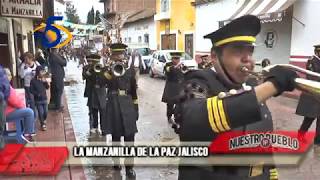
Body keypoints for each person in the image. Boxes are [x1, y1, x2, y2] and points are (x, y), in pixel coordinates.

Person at [176, 15, 298, 180]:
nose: (248, 59)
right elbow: (194, 119)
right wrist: (272, 86)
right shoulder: (196, 82)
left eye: (250, 51)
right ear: (214, 56)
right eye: (238, 51)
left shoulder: (253, 86)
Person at [102, 43, 138, 178]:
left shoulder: (130, 70)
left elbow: (134, 91)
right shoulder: (107, 70)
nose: (118, 58)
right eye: (115, 55)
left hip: (128, 105)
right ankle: (116, 162)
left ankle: (129, 167)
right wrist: (110, 71)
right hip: (114, 105)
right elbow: (100, 82)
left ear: (124, 55)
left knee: (130, 138)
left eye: (120, 55)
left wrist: (136, 108)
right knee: (116, 137)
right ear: (112, 56)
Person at [0, 65, 35, 142]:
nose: (11, 77)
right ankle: (28, 135)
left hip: (4, 112)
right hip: (5, 113)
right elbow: (15, 101)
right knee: (29, 112)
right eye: (9, 75)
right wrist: (23, 106)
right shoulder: (6, 86)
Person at [296, 44, 320, 145]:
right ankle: (300, 135)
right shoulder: (311, 61)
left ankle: (318, 140)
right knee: (309, 118)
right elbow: (311, 77)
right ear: (317, 52)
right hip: (312, 93)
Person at [82, 54, 107, 134]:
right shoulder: (88, 68)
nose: (94, 64)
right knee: (94, 111)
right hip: (92, 92)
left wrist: (103, 70)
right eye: (93, 62)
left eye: (96, 62)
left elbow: (106, 80)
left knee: (103, 112)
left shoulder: (103, 69)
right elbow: (85, 76)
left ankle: (104, 128)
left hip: (101, 93)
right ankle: (95, 127)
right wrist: (91, 70)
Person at [161, 52, 185, 123]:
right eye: (175, 58)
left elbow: (183, 74)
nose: (177, 60)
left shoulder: (181, 65)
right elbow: (167, 70)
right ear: (172, 58)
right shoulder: (168, 65)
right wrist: (175, 67)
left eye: (178, 59)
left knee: (179, 103)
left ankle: (177, 117)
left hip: (179, 87)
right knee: (170, 104)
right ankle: (169, 117)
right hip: (170, 87)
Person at [19, 52, 40, 117]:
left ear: (31, 59)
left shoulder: (36, 63)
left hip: (37, 85)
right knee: (32, 101)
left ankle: (39, 114)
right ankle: (34, 116)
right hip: (28, 85)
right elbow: (22, 76)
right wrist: (25, 70)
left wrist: (36, 73)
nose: (25, 61)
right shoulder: (23, 65)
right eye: (25, 59)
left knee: (38, 100)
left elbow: (41, 71)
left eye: (27, 59)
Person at [30, 66, 49, 131]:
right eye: (41, 71)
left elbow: (47, 87)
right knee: (41, 112)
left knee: (46, 112)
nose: (43, 73)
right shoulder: (33, 80)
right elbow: (31, 90)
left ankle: (44, 120)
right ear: (38, 72)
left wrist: (45, 82)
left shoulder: (43, 79)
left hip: (44, 99)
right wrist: (37, 94)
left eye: (43, 71)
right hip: (38, 100)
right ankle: (42, 124)